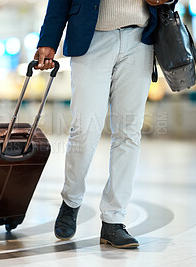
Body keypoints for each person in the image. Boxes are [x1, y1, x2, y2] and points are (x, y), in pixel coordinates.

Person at [34, 0, 177, 249]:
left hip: (140, 38)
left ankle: (114, 220)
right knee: (85, 128)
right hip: (91, 38)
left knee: (129, 133)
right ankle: (71, 201)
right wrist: (48, 40)